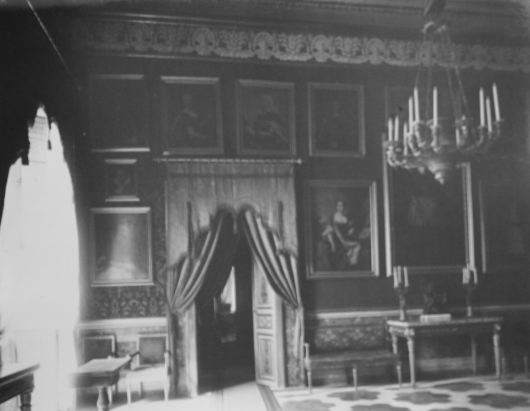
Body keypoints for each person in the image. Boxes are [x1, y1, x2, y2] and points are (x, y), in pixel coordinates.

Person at [321, 200, 362, 268]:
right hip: (337, 239)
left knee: (357, 245)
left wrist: (351, 229)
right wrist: (332, 244)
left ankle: (352, 263)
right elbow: (330, 229)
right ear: (336, 207)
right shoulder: (333, 216)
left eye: (342, 206)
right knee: (356, 245)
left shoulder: (345, 218)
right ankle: (351, 259)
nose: (340, 207)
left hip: (344, 238)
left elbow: (348, 229)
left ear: (344, 207)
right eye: (339, 205)